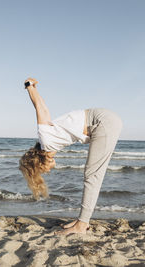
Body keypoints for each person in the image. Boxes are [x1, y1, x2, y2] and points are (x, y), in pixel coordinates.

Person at [19, 77, 122, 235]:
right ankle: (81, 220)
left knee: (92, 175)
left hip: (103, 122)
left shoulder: (46, 141)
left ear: (38, 164)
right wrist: (33, 88)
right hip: (103, 120)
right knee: (91, 174)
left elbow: (40, 108)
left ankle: (82, 225)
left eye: (42, 171)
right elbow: (44, 110)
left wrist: (29, 87)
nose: (46, 172)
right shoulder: (49, 138)